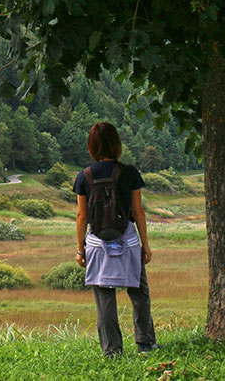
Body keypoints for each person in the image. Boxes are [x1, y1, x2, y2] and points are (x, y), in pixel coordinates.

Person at [73, 121, 157, 357]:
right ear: (117, 144)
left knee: (104, 296)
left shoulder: (84, 176)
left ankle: (112, 351)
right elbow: (138, 211)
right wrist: (145, 245)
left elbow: (82, 216)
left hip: (98, 244)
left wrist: (80, 249)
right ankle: (145, 343)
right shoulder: (129, 173)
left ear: (92, 146)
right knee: (139, 291)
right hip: (128, 241)